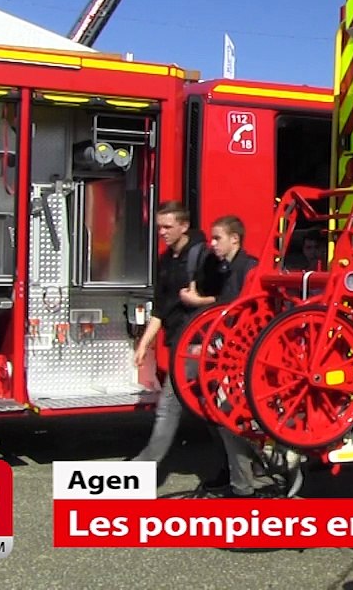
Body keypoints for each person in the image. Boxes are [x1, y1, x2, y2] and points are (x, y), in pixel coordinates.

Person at [187, 215, 285, 498]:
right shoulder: (228, 269)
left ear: (235, 239)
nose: (212, 244)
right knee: (216, 414)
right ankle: (247, 475)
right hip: (232, 353)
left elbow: (245, 315)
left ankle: (247, 482)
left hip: (245, 357)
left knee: (229, 418)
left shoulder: (249, 269)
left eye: (217, 238)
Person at [130, 201, 216, 467]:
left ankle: (144, 467)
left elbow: (225, 298)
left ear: (184, 226)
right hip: (180, 341)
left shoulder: (204, 258)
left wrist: (197, 302)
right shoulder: (166, 260)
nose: (162, 233)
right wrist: (144, 344)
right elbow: (160, 307)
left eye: (168, 227)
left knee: (168, 404)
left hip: (199, 343)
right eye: (159, 228)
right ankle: (247, 469)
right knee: (213, 411)